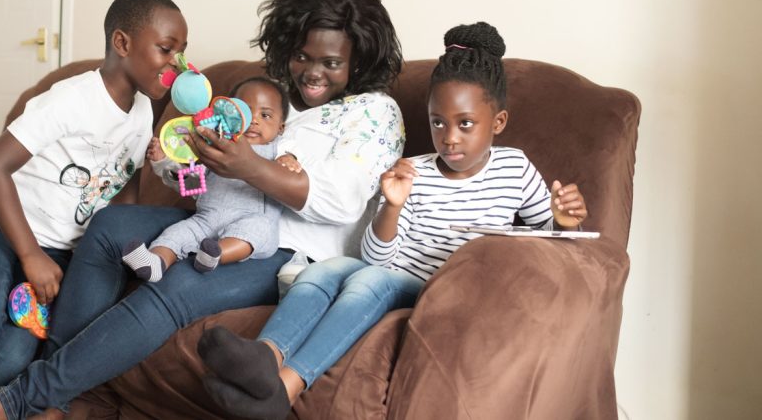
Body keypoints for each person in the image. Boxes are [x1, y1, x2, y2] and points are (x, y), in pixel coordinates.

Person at [0, 0, 405, 420]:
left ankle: (23, 399)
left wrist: (249, 166)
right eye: (301, 56)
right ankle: (59, 391)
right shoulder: (271, 99)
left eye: (331, 63)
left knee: (175, 285)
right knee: (109, 229)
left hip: (281, 246)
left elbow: (339, 201)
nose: (311, 72)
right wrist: (187, 163)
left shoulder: (375, 113)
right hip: (218, 212)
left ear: (359, 59)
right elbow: (201, 187)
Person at [196, 21, 590, 420]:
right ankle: (265, 356)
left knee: (368, 280)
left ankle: (287, 386)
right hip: (393, 274)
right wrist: (393, 205)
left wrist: (564, 221)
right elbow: (378, 258)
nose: (449, 137)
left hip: (437, 288)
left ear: (498, 122)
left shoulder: (515, 168)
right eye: (438, 122)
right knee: (325, 270)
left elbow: (557, 250)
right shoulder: (412, 171)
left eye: (465, 124)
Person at [0, 0, 187, 416]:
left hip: (60, 255)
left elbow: (121, 188)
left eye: (181, 52)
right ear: (122, 43)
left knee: (16, 357)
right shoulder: (71, 98)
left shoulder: (144, 111)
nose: (176, 64)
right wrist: (29, 253)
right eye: (166, 49)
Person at [122, 76, 294, 281]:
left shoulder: (276, 150)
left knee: (258, 231)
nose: (254, 120)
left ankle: (216, 255)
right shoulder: (216, 147)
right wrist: (163, 162)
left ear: (281, 128)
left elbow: (289, 177)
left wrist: (288, 160)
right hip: (206, 219)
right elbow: (193, 184)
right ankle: (156, 262)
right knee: (178, 232)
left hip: (251, 218)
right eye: (244, 113)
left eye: (265, 115)